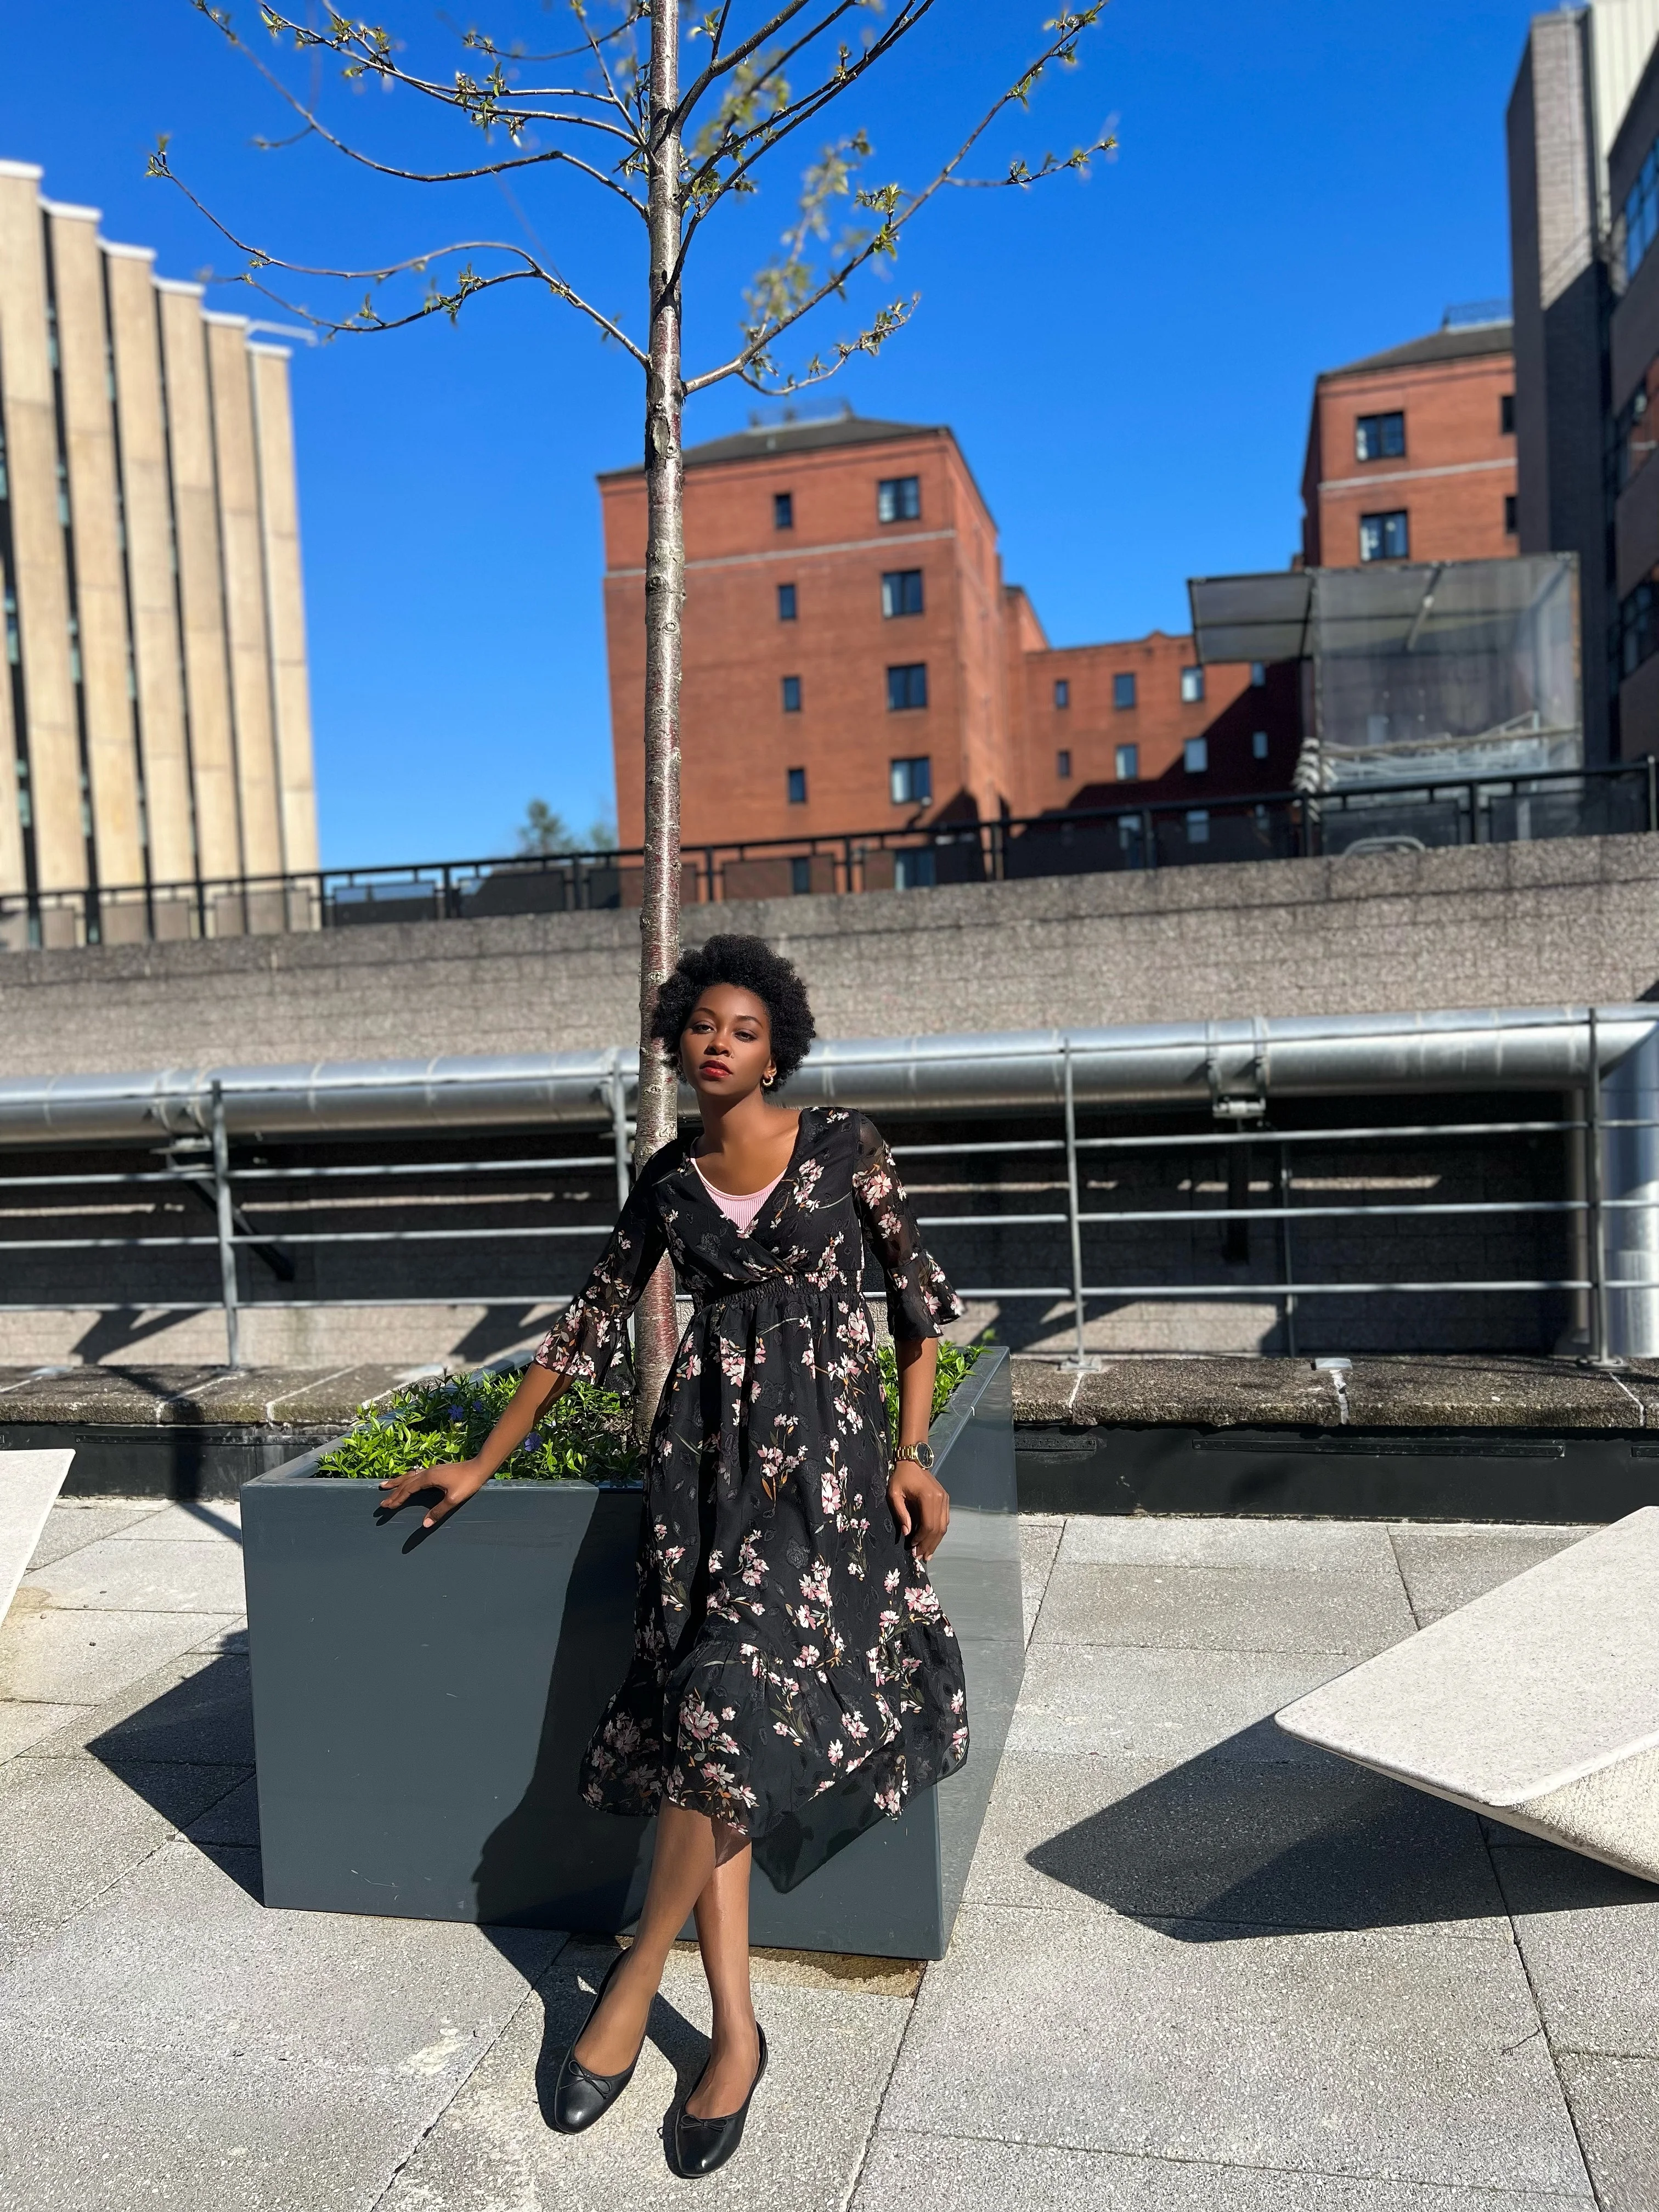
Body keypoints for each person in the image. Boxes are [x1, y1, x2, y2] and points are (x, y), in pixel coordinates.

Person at [377, 933, 967, 2178]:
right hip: (702, 1475)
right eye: (702, 1024)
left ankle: (637, 1980)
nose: (719, 1043)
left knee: (723, 1703)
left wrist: (915, 1457)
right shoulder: (666, 1178)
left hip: (827, 1475)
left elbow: (916, 1307)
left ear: (778, 1048)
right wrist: (482, 1461)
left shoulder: (846, 1146)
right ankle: (739, 2036)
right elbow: (584, 1323)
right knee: (721, 1737)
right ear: (676, 1039)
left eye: (745, 1029)